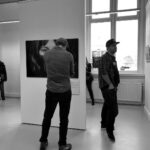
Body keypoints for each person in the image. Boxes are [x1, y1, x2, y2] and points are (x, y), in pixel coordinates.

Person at [39, 38, 74, 150]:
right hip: (65, 91)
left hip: (51, 91)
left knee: (47, 117)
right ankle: (62, 144)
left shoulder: (47, 54)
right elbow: (72, 73)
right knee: (63, 119)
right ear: (65, 45)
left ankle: (43, 142)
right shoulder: (69, 55)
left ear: (56, 44)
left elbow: (46, 70)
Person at [98, 39, 120, 142]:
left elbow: (113, 72)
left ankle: (103, 123)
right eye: (113, 45)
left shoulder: (112, 58)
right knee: (114, 110)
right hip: (107, 86)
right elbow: (103, 73)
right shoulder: (104, 58)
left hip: (112, 86)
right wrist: (111, 84)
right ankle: (109, 130)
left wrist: (115, 84)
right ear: (108, 47)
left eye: (116, 45)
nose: (115, 47)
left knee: (107, 105)